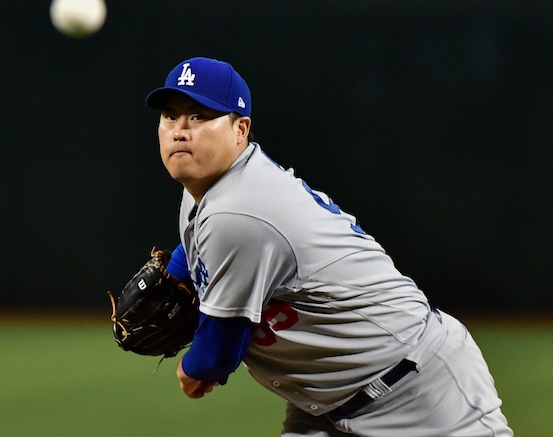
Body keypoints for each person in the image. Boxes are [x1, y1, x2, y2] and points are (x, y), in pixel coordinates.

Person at [144, 56, 513, 437]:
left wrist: (190, 370)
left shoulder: (239, 214)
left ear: (241, 130)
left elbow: (214, 358)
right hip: (327, 404)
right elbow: (193, 250)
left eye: (200, 116)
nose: (180, 131)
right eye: (170, 116)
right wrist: (173, 276)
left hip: (419, 390)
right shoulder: (204, 193)